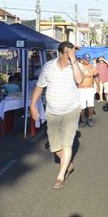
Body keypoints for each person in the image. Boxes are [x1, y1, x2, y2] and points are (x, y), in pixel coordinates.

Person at [30, 41, 84, 190]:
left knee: (67, 143)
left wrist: (73, 60)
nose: (71, 57)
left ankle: (60, 176)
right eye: (68, 54)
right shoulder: (48, 67)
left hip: (71, 110)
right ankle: (68, 164)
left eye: (72, 54)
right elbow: (39, 87)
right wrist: (32, 105)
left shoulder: (75, 66)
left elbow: (79, 80)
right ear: (60, 54)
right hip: (52, 112)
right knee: (54, 146)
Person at [77, 54, 98, 127]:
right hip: (80, 89)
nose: (88, 60)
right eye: (86, 59)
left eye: (89, 59)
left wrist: (98, 87)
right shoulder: (78, 67)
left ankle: (90, 118)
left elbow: (96, 77)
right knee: (82, 105)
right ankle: (82, 119)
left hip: (90, 88)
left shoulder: (92, 67)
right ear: (82, 59)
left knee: (91, 104)